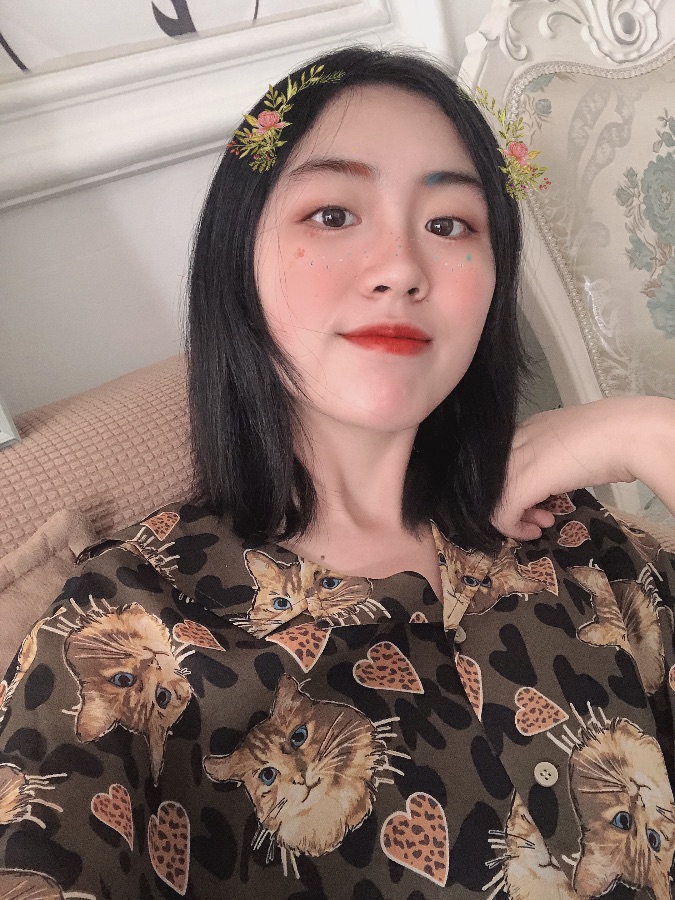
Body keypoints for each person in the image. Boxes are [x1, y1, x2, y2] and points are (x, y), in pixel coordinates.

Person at [1, 44, 674, 900]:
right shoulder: (123, 628)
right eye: (331, 214)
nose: (400, 268)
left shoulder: (584, 548)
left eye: (449, 225)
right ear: (238, 260)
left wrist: (648, 433)